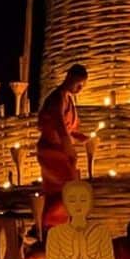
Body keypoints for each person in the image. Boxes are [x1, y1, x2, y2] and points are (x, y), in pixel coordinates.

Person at [36, 64, 89, 229]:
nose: (80, 89)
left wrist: (80, 137)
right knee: (65, 188)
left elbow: (68, 128)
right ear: (69, 78)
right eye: (78, 84)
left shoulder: (69, 99)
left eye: (83, 86)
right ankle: (50, 224)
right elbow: (59, 125)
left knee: (68, 188)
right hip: (52, 151)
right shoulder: (56, 98)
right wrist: (69, 148)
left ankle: (61, 224)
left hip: (61, 150)